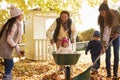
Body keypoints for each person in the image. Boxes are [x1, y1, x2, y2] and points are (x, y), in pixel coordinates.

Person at [0, 5, 24, 80]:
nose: (22, 16)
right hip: (6, 47)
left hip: (6, 48)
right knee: (10, 64)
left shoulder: (13, 23)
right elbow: (9, 39)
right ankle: (6, 78)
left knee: (7, 65)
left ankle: (7, 78)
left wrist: (17, 49)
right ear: (17, 16)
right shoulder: (14, 25)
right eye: (21, 15)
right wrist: (16, 47)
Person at [98, 2, 120, 79]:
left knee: (116, 53)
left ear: (107, 11)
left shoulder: (116, 13)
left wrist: (118, 32)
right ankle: (109, 73)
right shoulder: (101, 19)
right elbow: (101, 33)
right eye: (101, 13)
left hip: (116, 36)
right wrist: (103, 46)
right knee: (108, 55)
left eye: (103, 13)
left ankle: (115, 72)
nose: (102, 15)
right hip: (106, 38)